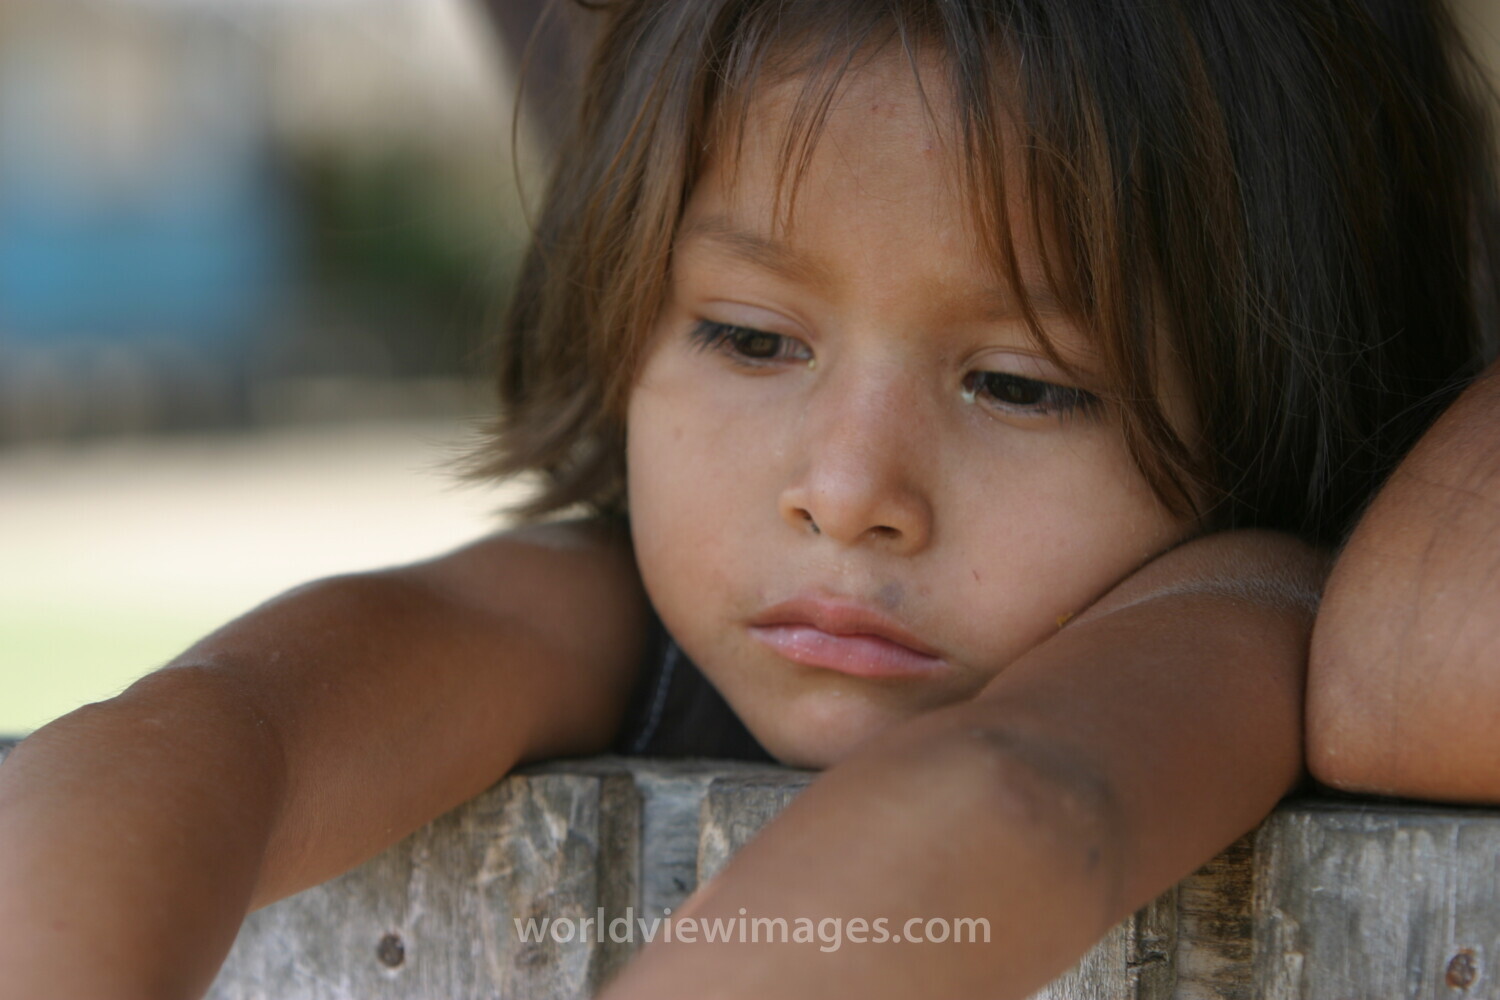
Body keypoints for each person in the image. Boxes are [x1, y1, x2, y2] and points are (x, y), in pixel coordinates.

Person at [0, 1, 1494, 997]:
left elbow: (1018, 794)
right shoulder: (604, 604)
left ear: (1276, 389)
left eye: (1025, 385)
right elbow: (214, 733)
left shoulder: (1248, 618)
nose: (847, 496)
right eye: (751, 338)